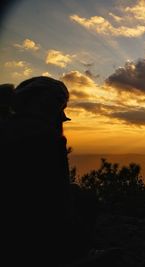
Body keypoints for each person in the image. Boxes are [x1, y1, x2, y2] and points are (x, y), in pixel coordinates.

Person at [0, 76, 86, 266]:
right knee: (83, 199)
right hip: (33, 238)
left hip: (9, 230)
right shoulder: (47, 137)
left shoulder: (6, 127)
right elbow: (59, 196)